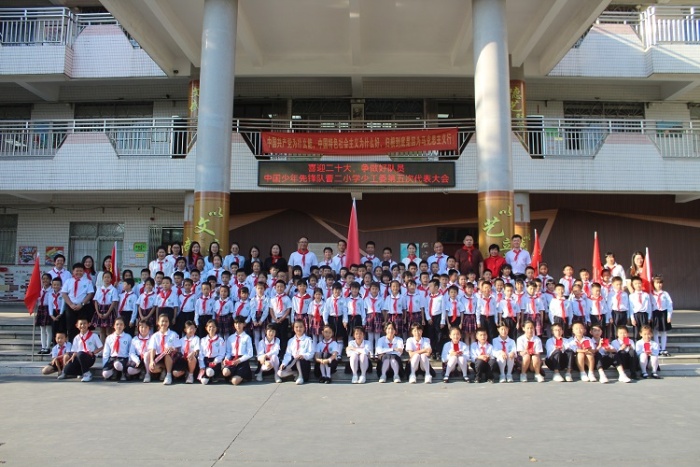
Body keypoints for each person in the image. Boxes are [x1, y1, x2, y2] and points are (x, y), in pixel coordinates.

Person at [61, 263, 95, 342]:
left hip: (83, 307)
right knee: (70, 327)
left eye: (81, 271)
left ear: (83, 272)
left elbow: (90, 294)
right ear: (73, 271)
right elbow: (64, 293)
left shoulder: (88, 282)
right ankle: (72, 344)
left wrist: (82, 304)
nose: (78, 272)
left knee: (83, 327)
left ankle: (83, 343)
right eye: (77, 271)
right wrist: (71, 304)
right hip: (70, 307)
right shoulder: (68, 281)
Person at [145, 313, 181, 385]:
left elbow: (178, 348)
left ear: (169, 323)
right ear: (158, 322)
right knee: (152, 368)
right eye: (162, 321)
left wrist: (172, 348)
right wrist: (151, 361)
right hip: (159, 357)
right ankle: (162, 370)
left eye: (166, 321)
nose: (164, 323)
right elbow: (153, 349)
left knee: (167, 353)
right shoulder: (155, 336)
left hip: (170, 357)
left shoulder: (173, 334)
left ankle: (168, 375)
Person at [277, 319, 314, 385]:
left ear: (304, 328)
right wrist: (284, 363)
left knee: (298, 359)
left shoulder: (308, 340)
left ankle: (300, 376)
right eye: (296, 327)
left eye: (301, 327)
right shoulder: (291, 341)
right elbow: (288, 354)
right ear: (293, 328)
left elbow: (311, 353)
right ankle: (295, 373)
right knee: (280, 373)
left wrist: (304, 356)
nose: (298, 329)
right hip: (293, 363)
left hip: (303, 363)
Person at [222, 316, 254, 385]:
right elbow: (228, 352)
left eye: (240, 323)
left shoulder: (247, 337)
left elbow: (250, 353)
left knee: (235, 381)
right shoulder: (230, 338)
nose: (238, 325)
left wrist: (239, 360)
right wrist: (226, 359)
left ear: (244, 324)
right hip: (233, 359)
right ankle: (234, 375)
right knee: (225, 372)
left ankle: (241, 377)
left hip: (242, 360)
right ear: (234, 325)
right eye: (236, 323)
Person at [91, 271, 119, 344]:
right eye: (105, 277)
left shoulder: (113, 289)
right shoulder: (99, 289)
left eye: (108, 277)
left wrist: (107, 313)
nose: (107, 279)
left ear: (111, 279)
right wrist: (98, 312)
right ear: (103, 278)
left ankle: (109, 346)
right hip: (100, 309)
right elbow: (96, 301)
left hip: (109, 310)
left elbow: (114, 302)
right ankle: (102, 346)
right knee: (101, 331)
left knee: (109, 331)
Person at [198, 320, 226, 385]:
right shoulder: (203, 340)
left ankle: (213, 375)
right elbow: (201, 354)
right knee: (204, 381)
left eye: (213, 327)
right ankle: (208, 376)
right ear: (206, 328)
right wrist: (202, 365)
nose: (211, 329)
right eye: (210, 327)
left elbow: (222, 354)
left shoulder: (220, 340)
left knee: (210, 371)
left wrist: (215, 361)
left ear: (216, 328)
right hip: (205, 360)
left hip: (215, 361)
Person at [651, 275, 673, 356]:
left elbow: (669, 304)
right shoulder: (651, 294)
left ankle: (663, 348)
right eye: (657, 283)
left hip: (663, 313)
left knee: (663, 332)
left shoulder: (665, 294)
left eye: (660, 283)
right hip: (655, 313)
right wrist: (650, 316)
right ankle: (658, 349)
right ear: (653, 284)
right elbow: (649, 305)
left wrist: (669, 315)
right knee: (655, 332)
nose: (659, 285)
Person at [269, 280, 292, 353]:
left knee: (283, 336)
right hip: (275, 320)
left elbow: (288, 309)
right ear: (275, 288)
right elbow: (271, 309)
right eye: (278, 287)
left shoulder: (287, 298)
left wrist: (282, 318)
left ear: (285, 288)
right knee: (276, 336)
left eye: (281, 287)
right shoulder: (272, 299)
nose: (279, 288)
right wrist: (274, 319)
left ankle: (283, 352)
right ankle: (276, 352)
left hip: (284, 319)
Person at [629, 276, 651, 340]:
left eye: (639, 283)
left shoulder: (646, 295)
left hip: (644, 314)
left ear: (642, 284)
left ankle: (645, 344)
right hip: (636, 315)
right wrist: (632, 318)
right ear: (633, 285)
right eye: (635, 284)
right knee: (636, 332)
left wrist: (649, 317)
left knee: (645, 331)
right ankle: (637, 345)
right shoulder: (631, 296)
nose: (638, 285)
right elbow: (631, 308)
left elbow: (649, 307)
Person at [35, 273, 52, 354]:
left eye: (47, 279)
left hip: (48, 309)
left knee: (48, 329)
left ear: (50, 280)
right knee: (42, 329)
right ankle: (43, 347)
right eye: (43, 279)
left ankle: (48, 347)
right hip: (40, 309)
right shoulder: (40, 290)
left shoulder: (52, 290)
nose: (45, 280)